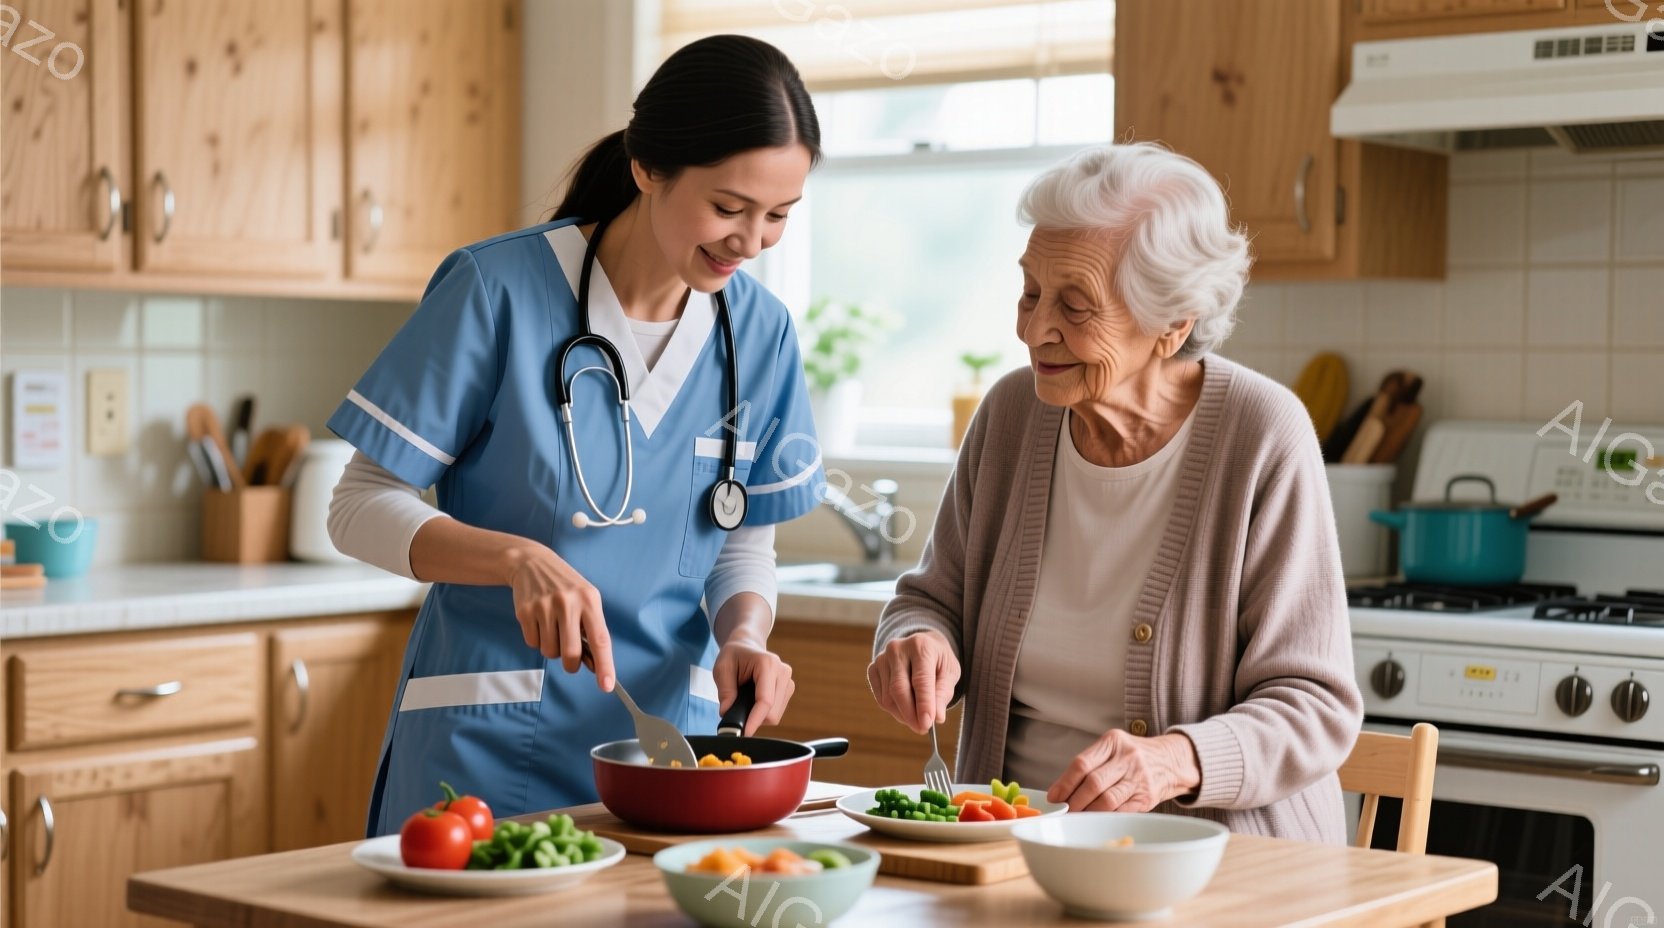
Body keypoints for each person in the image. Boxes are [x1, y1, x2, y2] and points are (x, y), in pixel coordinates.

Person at [326, 35, 827, 836]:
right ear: (647, 168)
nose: (751, 240)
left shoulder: (757, 334)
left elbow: (739, 544)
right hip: (486, 747)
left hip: (667, 754)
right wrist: (516, 559)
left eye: (778, 216)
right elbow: (357, 505)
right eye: (729, 207)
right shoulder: (497, 289)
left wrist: (745, 635)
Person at [866, 143, 1364, 842]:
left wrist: (1177, 759)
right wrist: (916, 639)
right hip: (1017, 845)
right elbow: (930, 600)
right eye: (1030, 292)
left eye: (1075, 304)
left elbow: (1316, 705)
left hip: (1220, 862)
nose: (1036, 329)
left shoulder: (1260, 432)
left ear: (1173, 325)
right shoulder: (1012, 414)